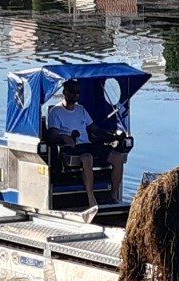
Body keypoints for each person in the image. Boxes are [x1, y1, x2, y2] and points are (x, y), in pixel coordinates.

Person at [43, 80, 125, 212]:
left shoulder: (81, 109)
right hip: (70, 148)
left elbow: (94, 129)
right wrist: (64, 137)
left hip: (87, 145)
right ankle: (91, 199)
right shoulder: (55, 112)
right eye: (72, 91)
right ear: (65, 92)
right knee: (87, 158)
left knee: (118, 157)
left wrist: (113, 135)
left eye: (78, 92)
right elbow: (52, 135)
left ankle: (113, 196)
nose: (75, 94)